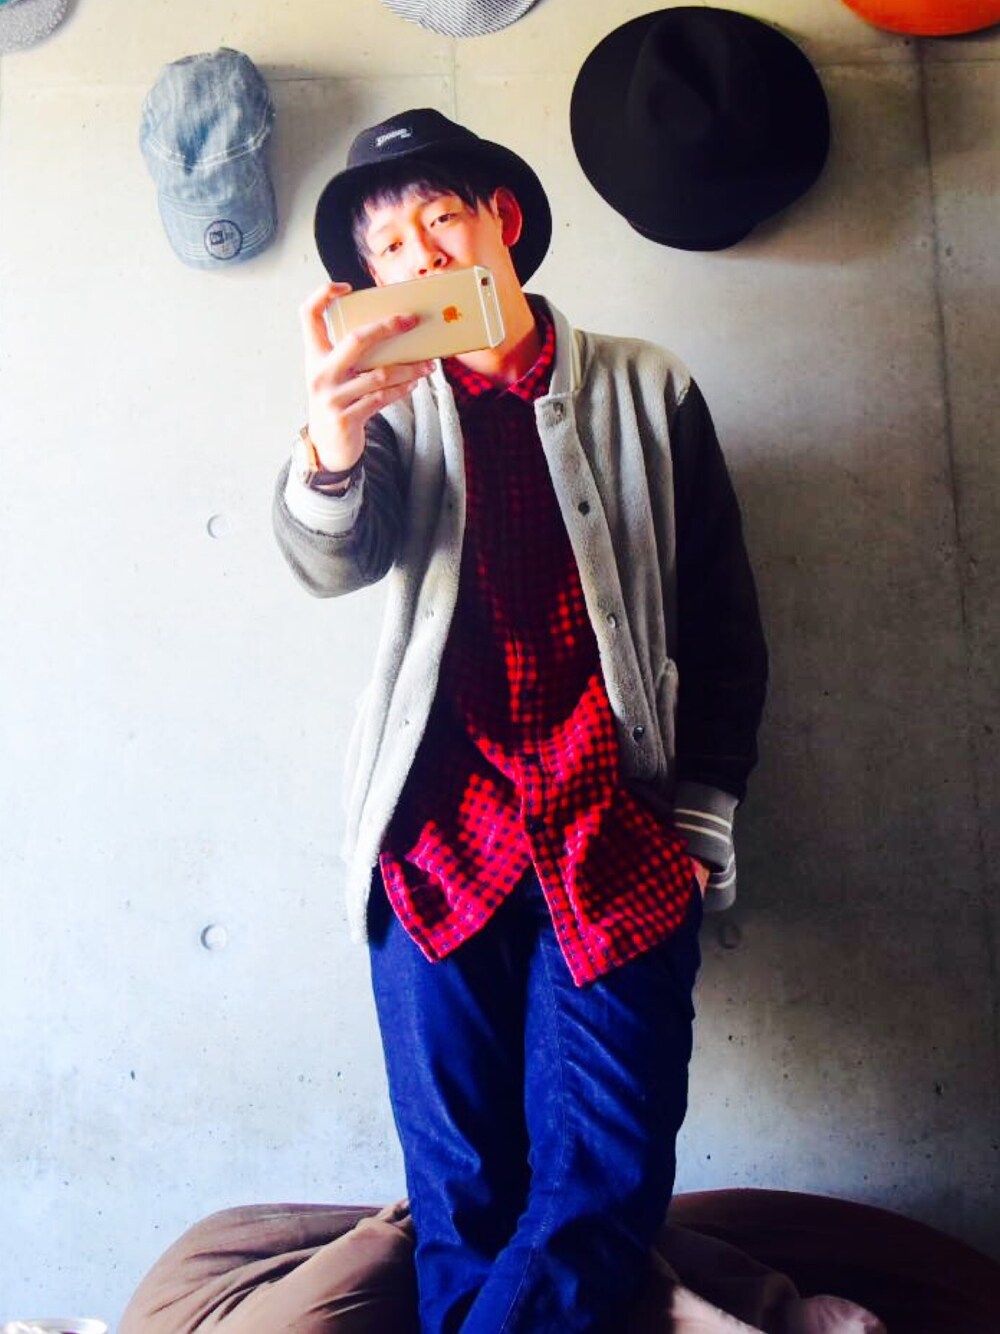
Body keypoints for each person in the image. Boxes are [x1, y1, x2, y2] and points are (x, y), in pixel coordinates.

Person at [273, 107, 768, 1334]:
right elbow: (333, 560)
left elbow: (721, 617)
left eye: (439, 219)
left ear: (499, 219)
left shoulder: (649, 384)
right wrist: (330, 440)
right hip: (435, 846)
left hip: (617, 832)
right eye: (390, 248)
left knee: (603, 1186)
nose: (422, 257)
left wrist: (701, 820)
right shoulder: (386, 407)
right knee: (462, 1203)